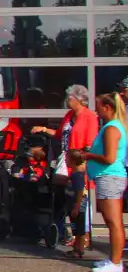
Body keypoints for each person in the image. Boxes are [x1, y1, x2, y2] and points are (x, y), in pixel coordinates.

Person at [32, 84, 99, 246]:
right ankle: (64, 231)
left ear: (79, 99)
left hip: (79, 161)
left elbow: (91, 142)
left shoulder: (90, 117)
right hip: (65, 161)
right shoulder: (69, 115)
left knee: (79, 197)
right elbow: (60, 134)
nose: (67, 101)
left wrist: (81, 158)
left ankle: (84, 235)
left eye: (69, 98)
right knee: (62, 196)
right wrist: (44, 129)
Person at [79, 93, 128, 272]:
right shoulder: (110, 127)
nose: (96, 110)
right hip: (107, 177)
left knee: (114, 222)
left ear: (107, 107)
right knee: (110, 221)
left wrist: (87, 156)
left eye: (99, 106)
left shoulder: (112, 128)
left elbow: (109, 158)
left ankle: (116, 263)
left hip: (110, 177)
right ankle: (112, 259)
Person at [63, 149, 90, 259]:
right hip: (73, 206)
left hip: (78, 207)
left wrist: (76, 207)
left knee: (79, 230)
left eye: (67, 159)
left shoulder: (77, 175)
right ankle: (76, 248)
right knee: (75, 228)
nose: (65, 160)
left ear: (74, 161)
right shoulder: (74, 174)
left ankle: (80, 250)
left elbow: (80, 192)